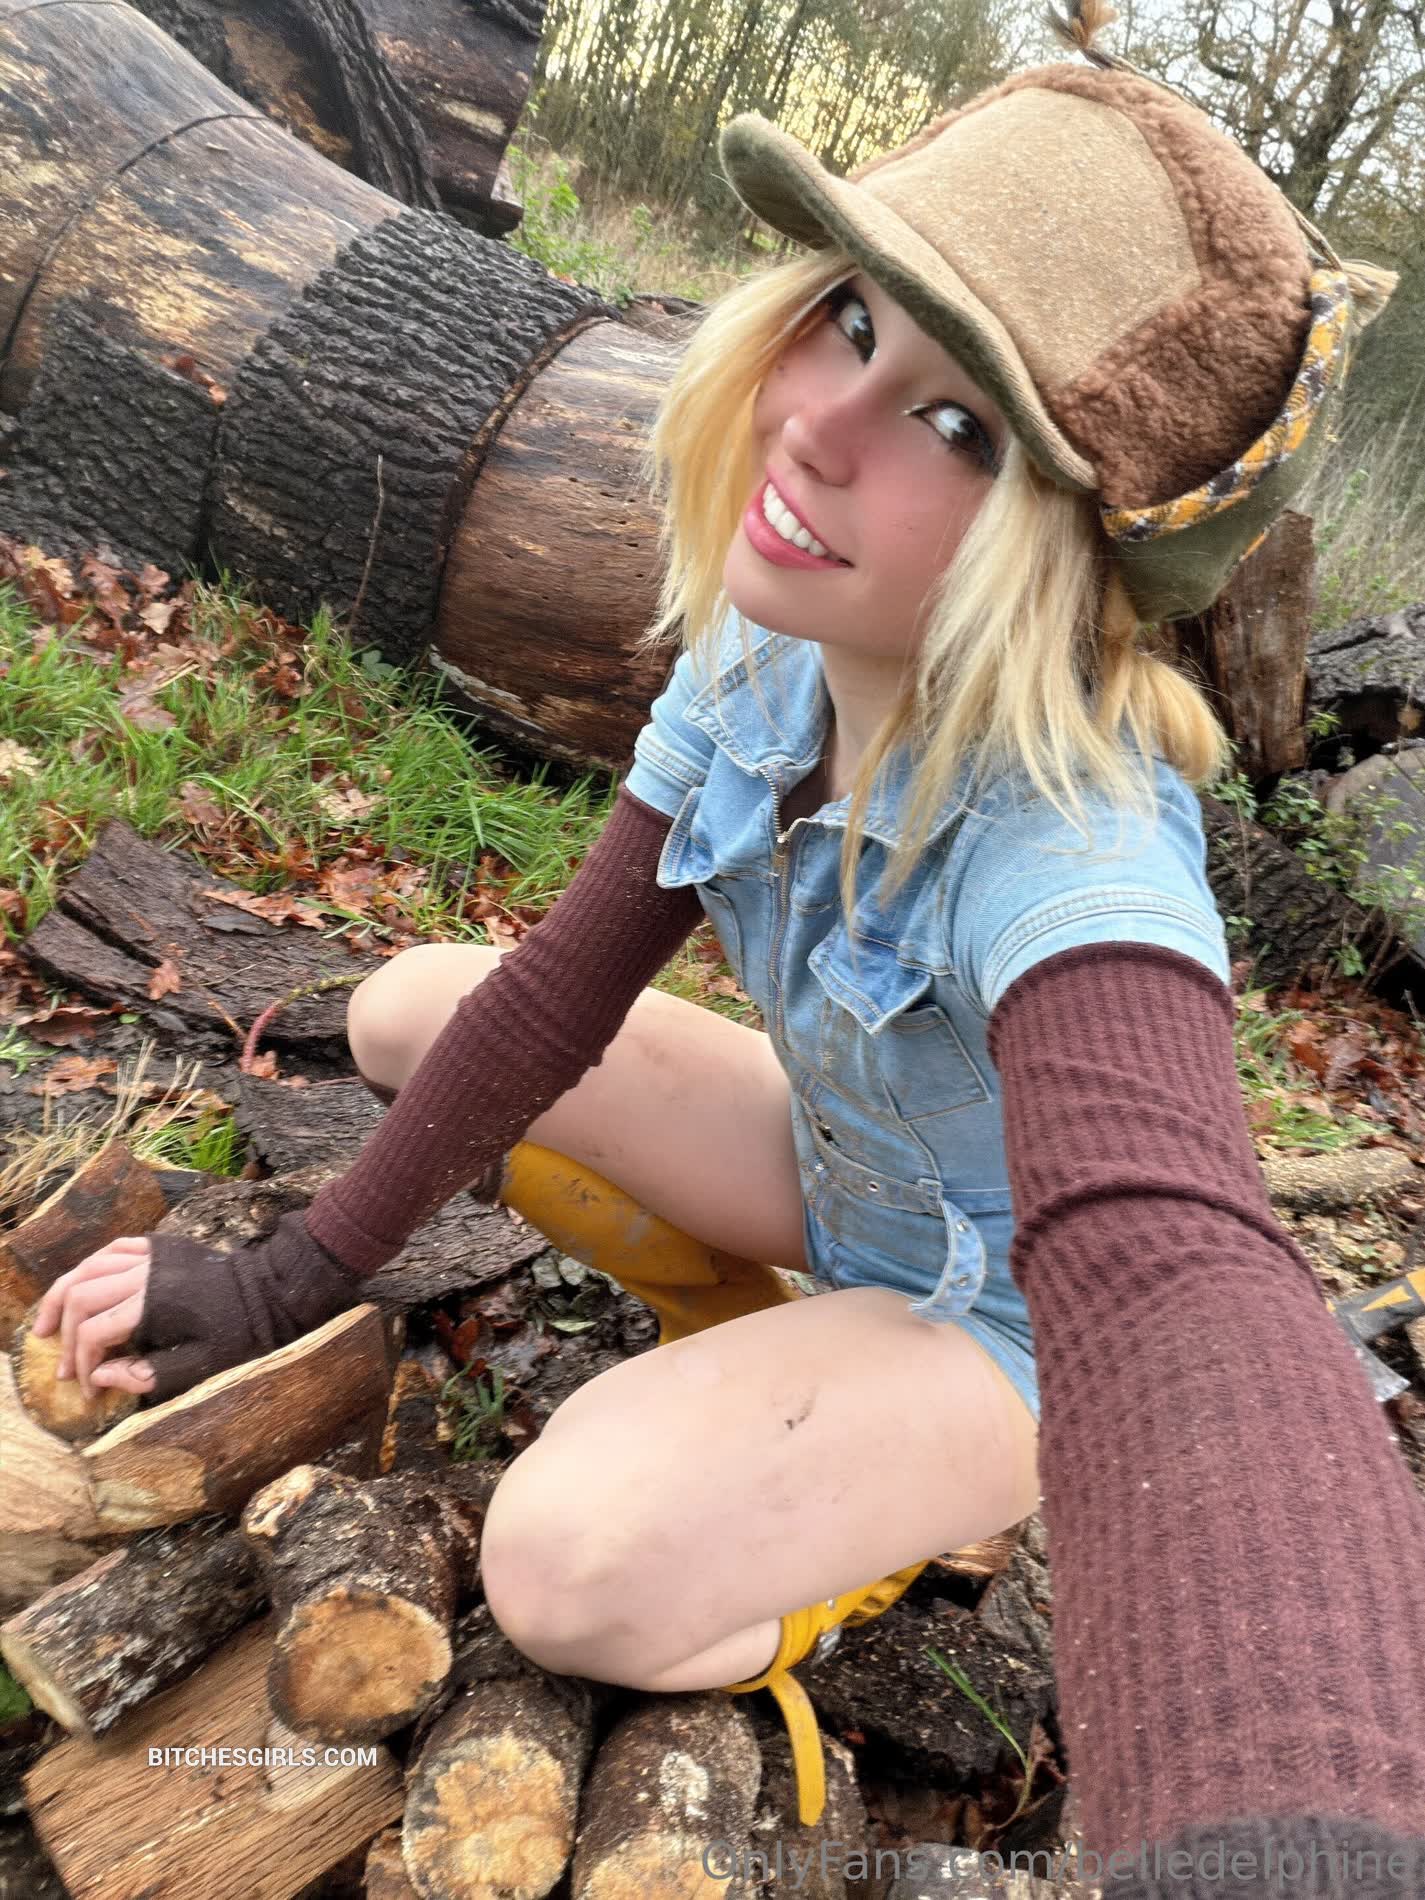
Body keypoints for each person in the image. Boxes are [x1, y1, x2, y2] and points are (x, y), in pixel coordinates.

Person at [32, 6, 1425, 1890]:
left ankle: (878, 1531)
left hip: (997, 1325)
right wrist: (288, 1280)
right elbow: (562, 990)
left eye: (955, 425)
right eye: (849, 320)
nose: (818, 424)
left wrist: (1295, 1833)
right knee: (421, 1006)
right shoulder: (775, 654)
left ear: (1063, 539)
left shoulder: (1074, 837)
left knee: (566, 1571)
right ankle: (759, 1355)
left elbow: (1171, 1265)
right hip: (851, 1173)